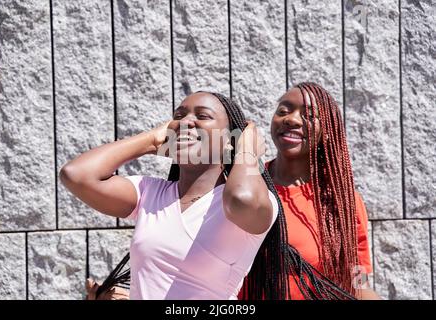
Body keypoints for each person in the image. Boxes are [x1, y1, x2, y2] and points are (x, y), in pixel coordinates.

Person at [60, 91, 279, 299]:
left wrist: (247, 150)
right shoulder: (149, 193)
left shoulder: (255, 199)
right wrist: (151, 140)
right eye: (179, 115)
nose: (185, 122)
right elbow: (76, 174)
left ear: (231, 139)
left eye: (203, 116)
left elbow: (242, 198)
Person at [240, 82, 380, 300]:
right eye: (283, 111)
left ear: (327, 131)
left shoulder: (343, 202)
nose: (292, 119)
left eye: (309, 116)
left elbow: (357, 283)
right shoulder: (245, 184)